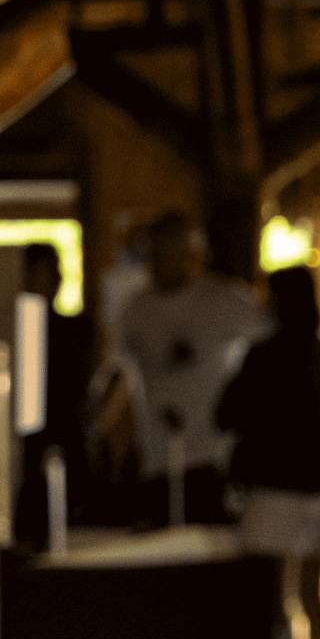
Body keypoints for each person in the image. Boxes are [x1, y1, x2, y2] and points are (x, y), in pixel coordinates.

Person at [220, 263, 320, 639]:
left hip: (277, 490)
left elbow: (227, 414)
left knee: (272, 602)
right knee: (312, 596)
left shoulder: (264, 354)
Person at [109, 210, 268, 525]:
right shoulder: (134, 311)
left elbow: (269, 362)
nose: (161, 258)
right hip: (155, 461)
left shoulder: (226, 302)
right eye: (156, 248)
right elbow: (124, 379)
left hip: (211, 460)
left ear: (192, 253)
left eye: (172, 248)